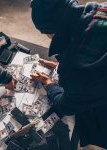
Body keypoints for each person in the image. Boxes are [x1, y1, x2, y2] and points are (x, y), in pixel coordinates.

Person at [30, 0, 107, 148]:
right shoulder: (102, 8)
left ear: (51, 32)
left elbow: (65, 105)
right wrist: (62, 65)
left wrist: (48, 83)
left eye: (45, 33)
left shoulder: (75, 70)